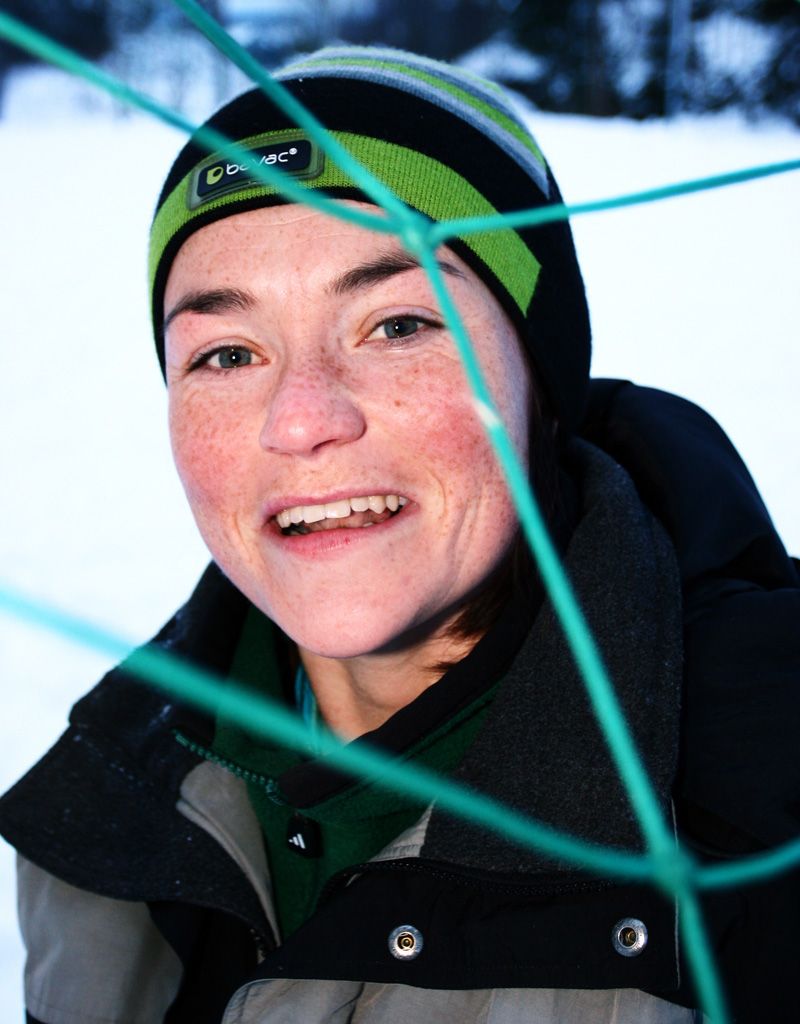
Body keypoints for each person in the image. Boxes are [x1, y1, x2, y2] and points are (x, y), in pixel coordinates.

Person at [1, 46, 798, 1024]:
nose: (301, 419)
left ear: (541, 378)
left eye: (396, 325)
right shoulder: (104, 818)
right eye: (227, 353)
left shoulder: (764, 804)